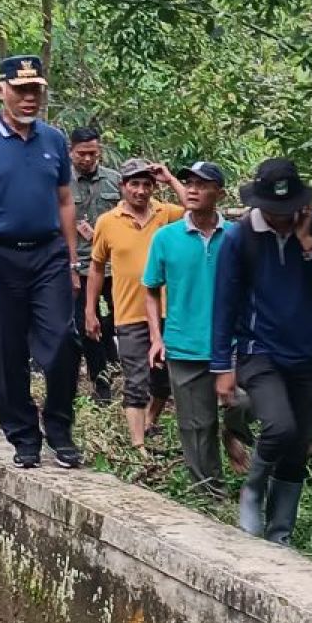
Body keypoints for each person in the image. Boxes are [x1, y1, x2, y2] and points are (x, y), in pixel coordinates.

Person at [212, 158, 312, 546]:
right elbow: (224, 304)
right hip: (260, 351)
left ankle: (279, 535)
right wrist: (222, 366)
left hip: (307, 354)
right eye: (272, 211)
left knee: (296, 448)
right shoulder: (240, 237)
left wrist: (309, 244)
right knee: (278, 426)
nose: (279, 218)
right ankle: (252, 489)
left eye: (286, 210)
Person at [0, 54, 83, 470]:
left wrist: (72, 260)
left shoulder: (54, 141)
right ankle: (23, 436)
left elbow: (64, 200)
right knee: (5, 350)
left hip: (48, 254)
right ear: (1, 91)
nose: (30, 98)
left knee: (63, 340)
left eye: (36, 90)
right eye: (21, 90)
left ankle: (59, 428)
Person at [143, 161, 251, 497]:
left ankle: (233, 431)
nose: (192, 189)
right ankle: (210, 493)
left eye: (202, 185)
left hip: (235, 344)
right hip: (184, 342)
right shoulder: (166, 237)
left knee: (249, 402)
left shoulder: (236, 236)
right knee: (195, 425)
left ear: (218, 193)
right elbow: (150, 288)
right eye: (188, 182)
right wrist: (156, 338)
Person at [85, 158, 186, 450]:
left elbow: (195, 210)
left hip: (168, 312)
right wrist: (90, 310)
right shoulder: (107, 222)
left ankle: (150, 420)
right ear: (123, 187)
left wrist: (169, 179)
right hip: (129, 313)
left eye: (146, 184)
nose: (141, 191)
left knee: (163, 380)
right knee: (135, 380)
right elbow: (96, 267)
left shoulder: (164, 214)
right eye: (134, 184)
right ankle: (138, 445)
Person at [70, 127, 121, 403]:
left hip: (113, 267)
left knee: (120, 319)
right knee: (84, 325)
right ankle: (100, 383)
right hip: (79, 267)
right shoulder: (61, 183)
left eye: (93, 153)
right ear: (71, 151)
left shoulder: (115, 182)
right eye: (81, 154)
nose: (87, 159)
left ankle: (113, 357)